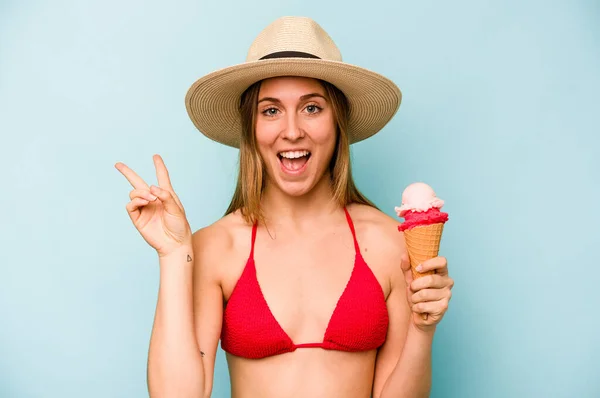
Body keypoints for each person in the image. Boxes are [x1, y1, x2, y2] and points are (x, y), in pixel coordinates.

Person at [116, 16, 454, 398]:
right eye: (271, 110)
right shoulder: (216, 247)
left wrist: (422, 330)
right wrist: (175, 254)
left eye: (312, 108)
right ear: (251, 128)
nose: (292, 131)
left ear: (338, 121)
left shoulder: (388, 243)